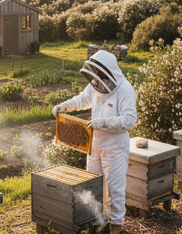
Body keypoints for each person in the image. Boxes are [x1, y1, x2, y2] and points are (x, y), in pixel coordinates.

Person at [52, 50, 137, 234]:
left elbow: (129, 120)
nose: (98, 77)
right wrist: (64, 106)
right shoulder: (96, 84)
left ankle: (116, 226)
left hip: (115, 146)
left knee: (115, 186)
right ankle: (98, 220)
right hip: (94, 144)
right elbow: (82, 99)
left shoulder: (125, 89)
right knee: (93, 184)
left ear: (109, 72)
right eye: (96, 73)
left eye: (101, 74)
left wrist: (104, 122)